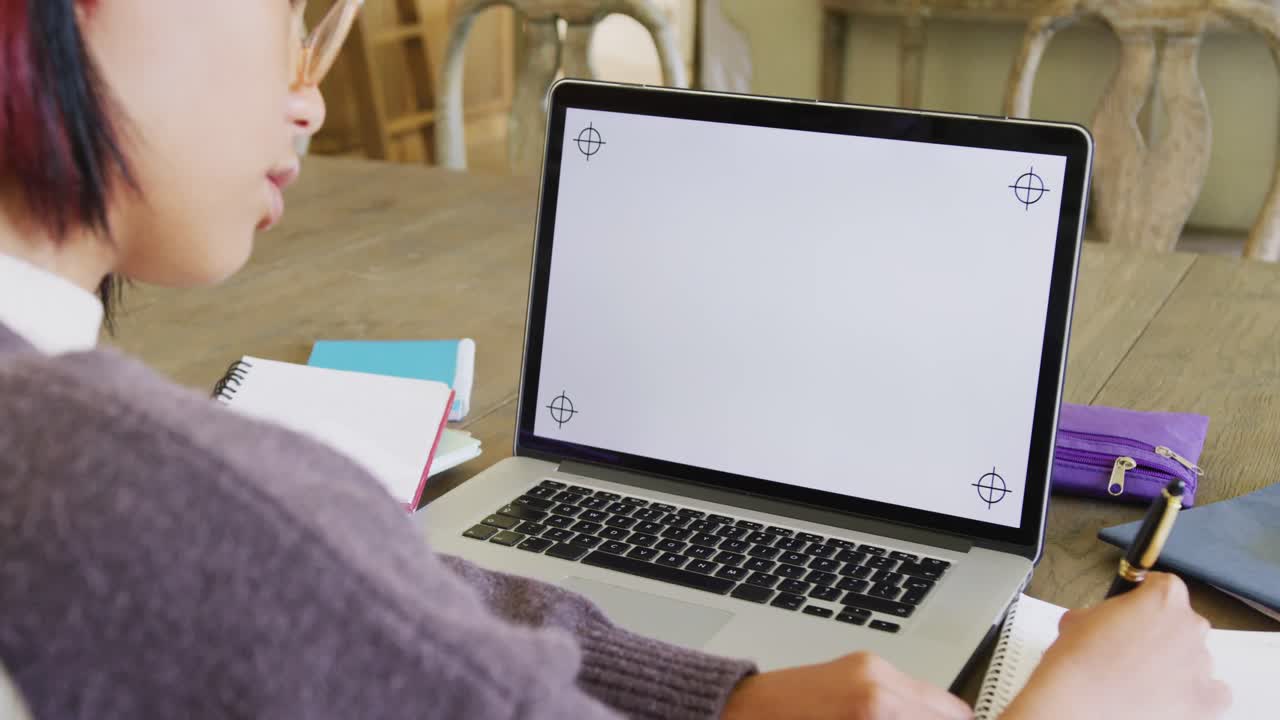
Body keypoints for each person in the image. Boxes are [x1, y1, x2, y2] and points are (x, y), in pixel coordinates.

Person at [0, 2, 1232, 719]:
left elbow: (382, 613)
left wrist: (727, 699)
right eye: (284, 10)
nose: (309, 91)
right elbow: (288, 570)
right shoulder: (151, 495)